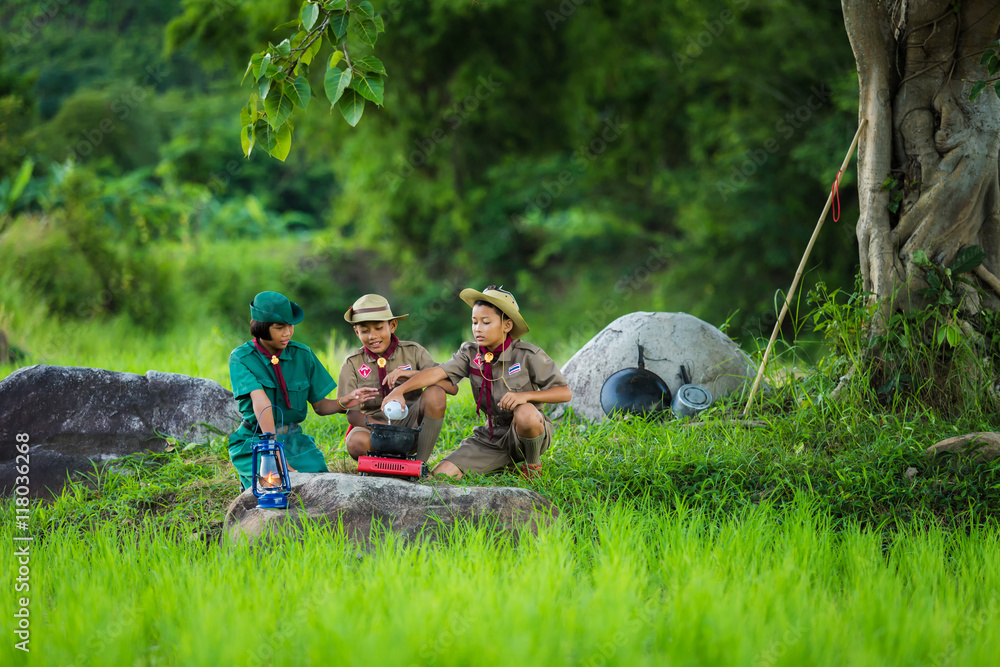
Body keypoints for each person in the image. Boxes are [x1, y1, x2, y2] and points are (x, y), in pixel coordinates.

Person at [381, 285, 571, 479]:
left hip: (527, 432)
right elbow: (437, 373)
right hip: (491, 436)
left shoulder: (528, 355)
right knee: (441, 477)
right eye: (474, 322)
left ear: (507, 325)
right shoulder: (470, 353)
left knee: (526, 412)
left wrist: (525, 396)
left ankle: (531, 466)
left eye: (486, 322)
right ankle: (503, 465)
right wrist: (400, 390)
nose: (477, 329)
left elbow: (564, 392)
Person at [228, 291, 378, 489]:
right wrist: (273, 453)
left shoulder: (302, 355)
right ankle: (250, 480)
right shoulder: (242, 357)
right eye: (279, 327)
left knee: (321, 488)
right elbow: (260, 401)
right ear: (261, 327)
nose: (287, 333)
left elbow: (320, 406)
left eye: (290, 326)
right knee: (273, 488)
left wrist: (344, 402)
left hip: (294, 441)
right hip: (256, 440)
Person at [338, 294, 457, 462]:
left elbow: (452, 387)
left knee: (436, 392)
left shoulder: (413, 352)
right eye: (364, 330)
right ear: (356, 331)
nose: (372, 336)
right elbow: (353, 414)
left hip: (411, 428)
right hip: (374, 428)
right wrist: (383, 429)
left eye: (379, 328)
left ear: (392, 325)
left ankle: (420, 464)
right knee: (356, 442)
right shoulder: (352, 363)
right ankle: (387, 463)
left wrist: (411, 375)